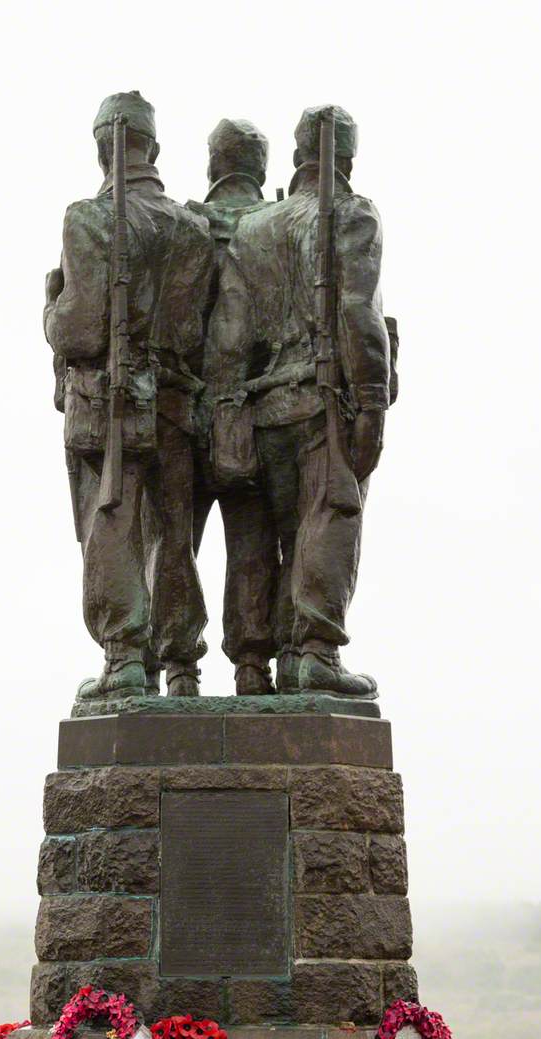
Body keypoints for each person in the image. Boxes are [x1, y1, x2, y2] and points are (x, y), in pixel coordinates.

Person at [205, 104, 393, 697]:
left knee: (254, 540)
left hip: (261, 411)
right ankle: (313, 653)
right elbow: (359, 316)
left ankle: (251, 666)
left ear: (295, 159)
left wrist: (231, 411)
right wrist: (372, 401)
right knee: (329, 518)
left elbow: (228, 337)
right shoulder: (354, 215)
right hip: (324, 405)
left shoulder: (255, 228)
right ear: (350, 158)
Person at [44, 91, 213, 700]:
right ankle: (182, 666)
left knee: (110, 524)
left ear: (100, 150)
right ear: (154, 148)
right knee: (174, 533)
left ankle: (124, 659)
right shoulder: (193, 226)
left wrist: (49, 309)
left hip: (108, 403)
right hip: (175, 401)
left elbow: (81, 328)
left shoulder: (85, 219)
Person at [187, 118, 279, 695]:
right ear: (262, 170)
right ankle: (251, 665)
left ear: (212, 166)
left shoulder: (184, 221)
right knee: (253, 540)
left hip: (182, 406)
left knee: (172, 542)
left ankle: (176, 669)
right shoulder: (279, 226)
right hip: (259, 405)